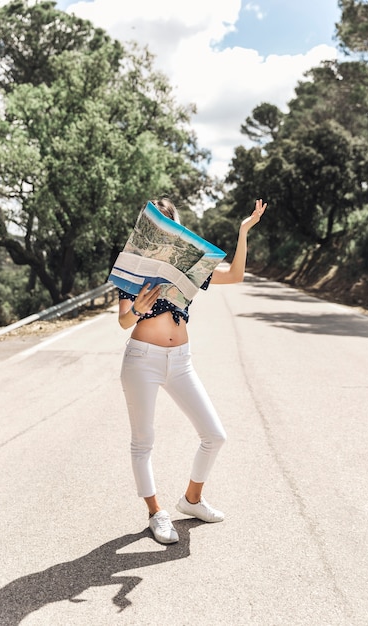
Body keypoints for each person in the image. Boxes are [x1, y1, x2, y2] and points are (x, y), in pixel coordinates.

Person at [118, 197, 266, 544]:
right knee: (143, 442)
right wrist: (137, 309)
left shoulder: (188, 264)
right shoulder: (134, 264)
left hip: (181, 360)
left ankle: (192, 500)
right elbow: (123, 321)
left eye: (167, 223)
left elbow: (236, 275)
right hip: (142, 359)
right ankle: (156, 513)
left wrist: (243, 231)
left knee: (215, 435)